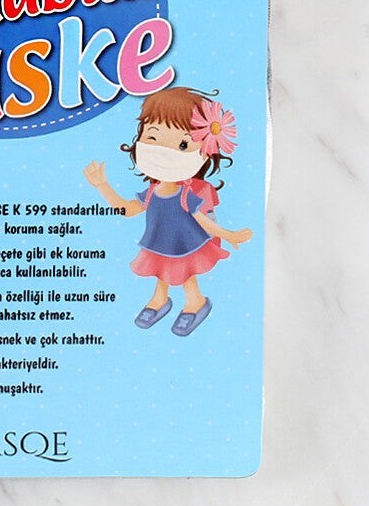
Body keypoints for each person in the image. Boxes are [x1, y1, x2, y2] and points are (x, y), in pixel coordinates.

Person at [83, 86, 252, 336]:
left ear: (205, 153)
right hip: (157, 244)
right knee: (160, 271)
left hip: (185, 245)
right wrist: (102, 186)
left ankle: (195, 302)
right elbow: (128, 210)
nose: (163, 152)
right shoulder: (152, 191)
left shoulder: (186, 194)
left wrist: (228, 234)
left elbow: (203, 221)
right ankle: (159, 300)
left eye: (182, 144)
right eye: (152, 138)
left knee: (185, 275)